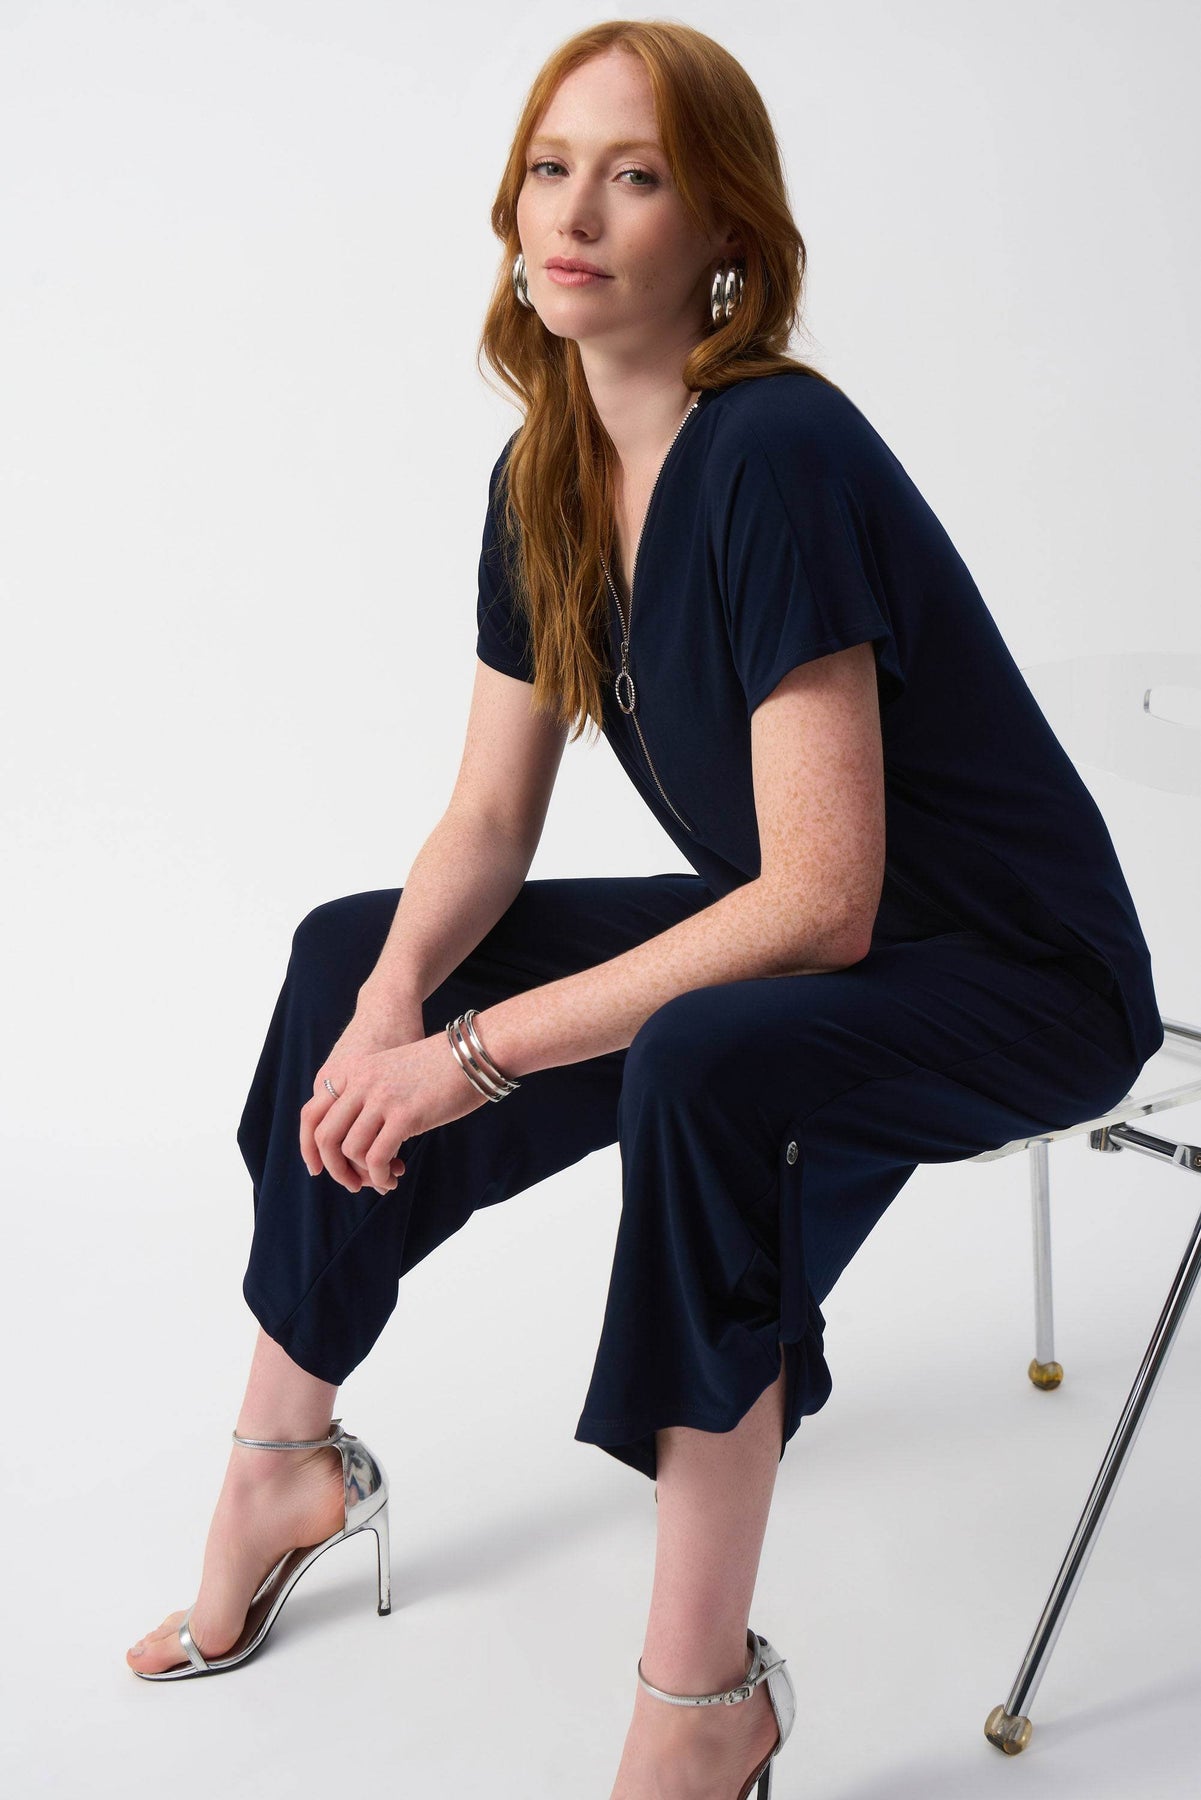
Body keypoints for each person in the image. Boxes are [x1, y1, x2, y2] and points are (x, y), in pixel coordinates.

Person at [126, 19, 1162, 1800]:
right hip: (811, 939)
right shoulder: (544, 473)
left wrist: (473, 1058)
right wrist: (394, 1006)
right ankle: (279, 1468)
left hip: (1014, 977)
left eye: (634, 176)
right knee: (343, 951)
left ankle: (701, 1704)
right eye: (550, 169)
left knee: (704, 1066)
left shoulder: (775, 450)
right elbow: (486, 822)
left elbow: (820, 903)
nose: (576, 214)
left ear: (723, 233)